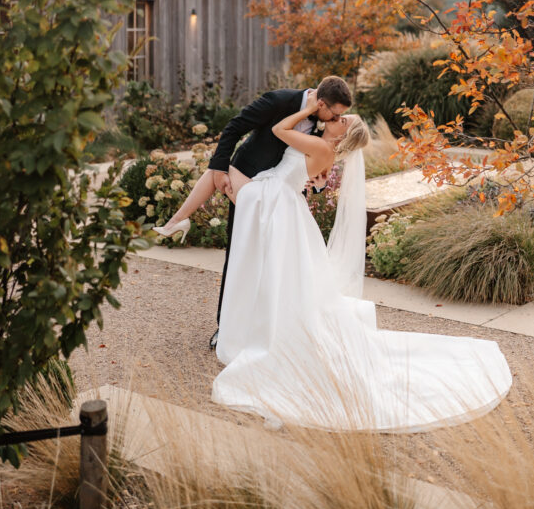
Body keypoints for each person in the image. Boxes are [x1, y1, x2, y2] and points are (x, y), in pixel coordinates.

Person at [208, 92, 513, 432]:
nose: (333, 120)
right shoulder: (317, 140)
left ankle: (263, 333)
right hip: (279, 205)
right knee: (275, 275)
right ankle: (250, 326)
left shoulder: (321, 144)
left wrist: (309, 112)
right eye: (338, 115)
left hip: (280, 208)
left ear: (341, 135)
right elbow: (298, 166)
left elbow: (282, 133)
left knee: (277, 277)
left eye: (340, 121)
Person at [159, 75, 352, 348]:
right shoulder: (279, 100)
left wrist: (318, 186)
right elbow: (235, 127)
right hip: (246, 180)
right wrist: (219, 167)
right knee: (239, 253)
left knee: (270, 262)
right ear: (321, 103)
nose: (334, 119)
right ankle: (225, 327)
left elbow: (313, 167)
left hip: (279, 195)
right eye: (335, 113)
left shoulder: (323, 125)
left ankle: (265, 325)